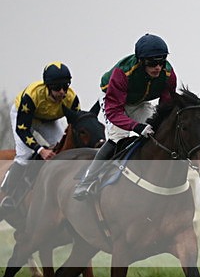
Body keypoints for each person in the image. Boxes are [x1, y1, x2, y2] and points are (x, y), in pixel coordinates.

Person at [72, 33, 176, 200]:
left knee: (158, 132)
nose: (158, 67)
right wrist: (136, 126)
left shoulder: (169, 74)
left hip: (140, 102)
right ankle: (86, 180)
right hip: (113, 100)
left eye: (161, 61)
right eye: (152, 63)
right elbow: (114, 112)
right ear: (141, 62)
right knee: (118, 138)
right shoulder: (123, 73)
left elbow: (166, 105)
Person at [0, 62, 80, 211]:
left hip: (47, 121)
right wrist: (40, 150)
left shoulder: (71, 99)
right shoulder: (32, 96)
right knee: (25, 154)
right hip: (24, 119)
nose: (62, 92)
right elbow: (22, 130)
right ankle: (7, 194)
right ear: (48, 87)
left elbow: (75, 128)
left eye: (65, 86)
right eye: (57, 88)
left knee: (63, 150)